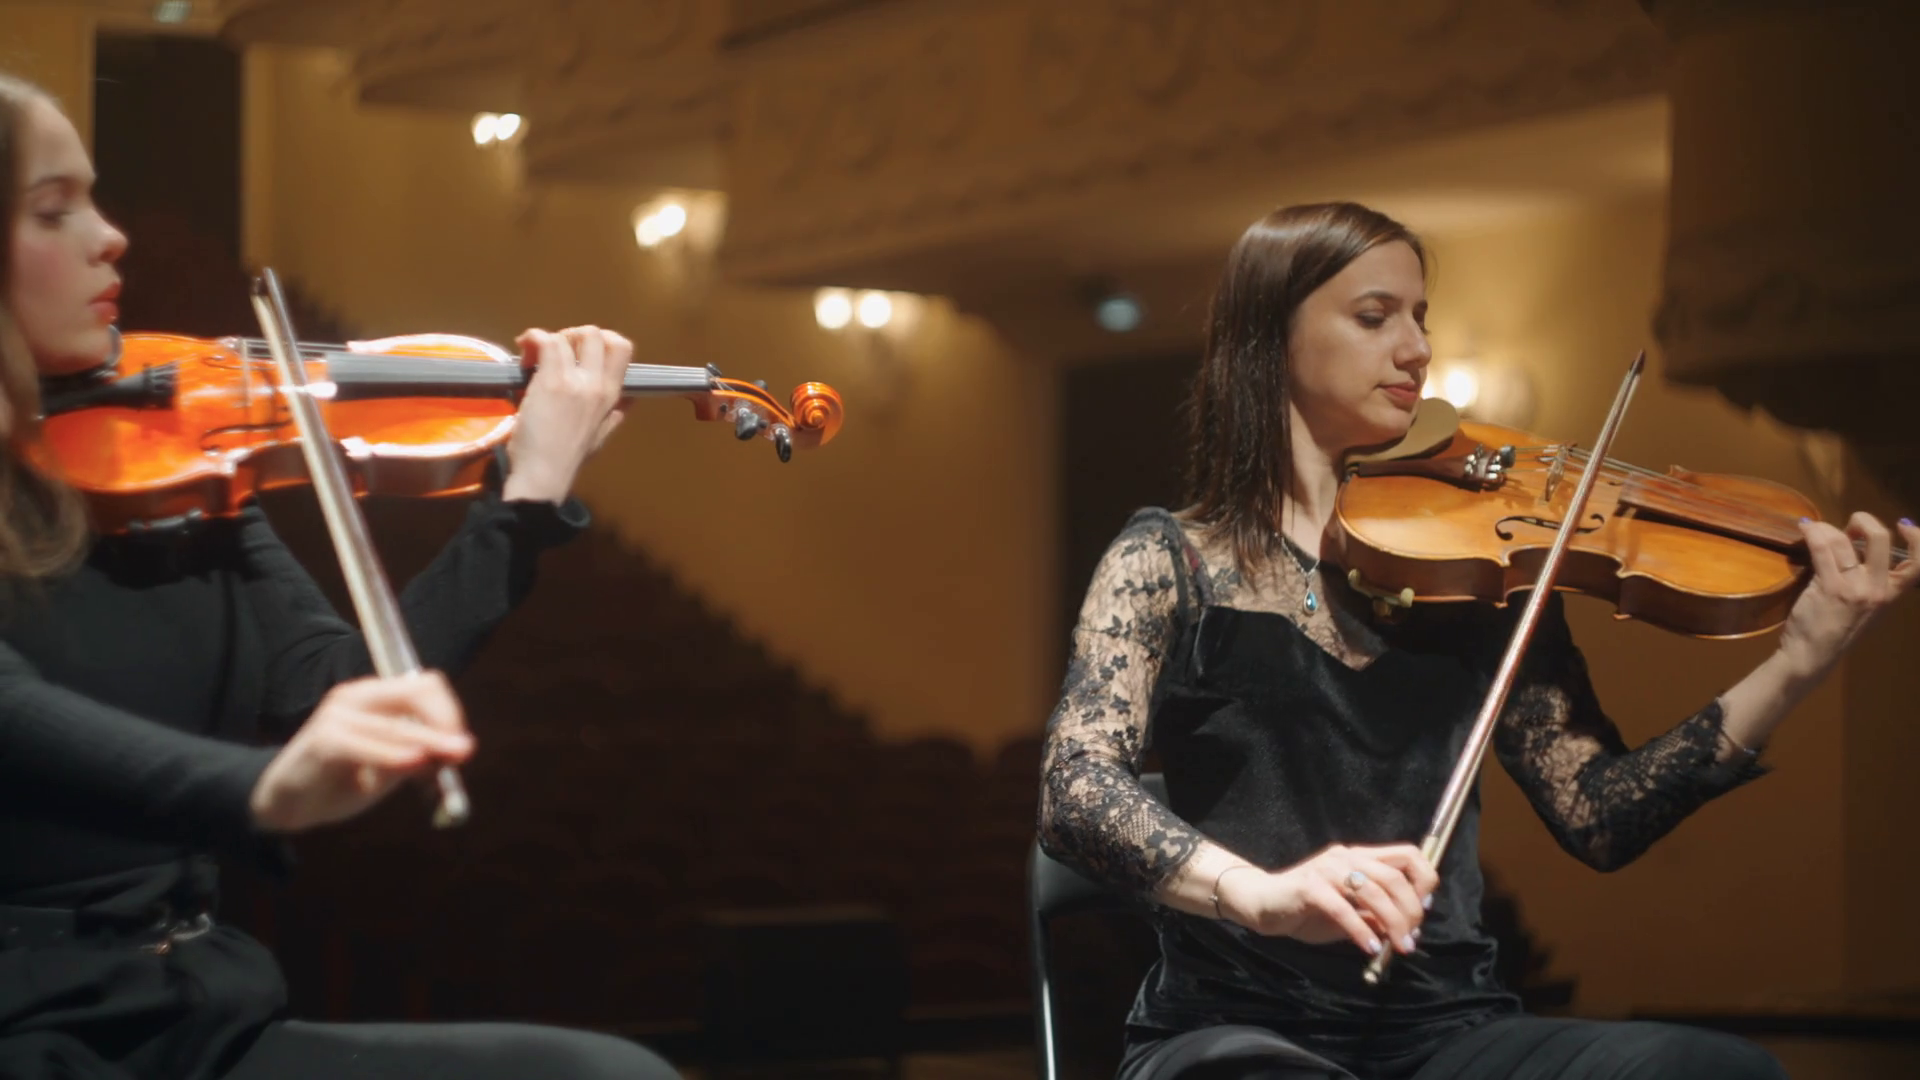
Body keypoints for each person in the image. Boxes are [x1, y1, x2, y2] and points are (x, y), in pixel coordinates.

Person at [1037, 201, 1917, 1080]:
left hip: (1448, 1030)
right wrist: (1261, 896)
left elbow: (1601, 814)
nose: (1416, 348)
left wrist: (1798, 663)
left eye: (1421, 317)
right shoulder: (1169, 561)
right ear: (1269, 338)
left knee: (1711, 1070)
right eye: (1375, 317)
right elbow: (1074, 788)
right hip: (1233, 1029)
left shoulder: (1479, 567)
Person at [0, 73, 679, 1078]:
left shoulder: (170, 468)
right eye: (54, 209)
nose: (111, 237)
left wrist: (525, 497)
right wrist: (259, 788)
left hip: (190, 1010)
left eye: (94, 199)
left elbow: (338, 687)